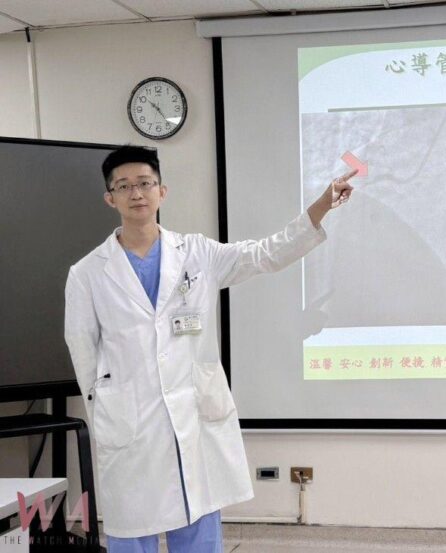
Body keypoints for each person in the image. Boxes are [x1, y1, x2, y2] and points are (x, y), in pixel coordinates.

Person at [64, 145, 355, 552]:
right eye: (124, 186)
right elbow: (82, 349)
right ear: (110, 198)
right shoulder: (88, 273)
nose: (137, 193)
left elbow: (264, 255)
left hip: (192, 415)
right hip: (131, 422)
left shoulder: (197, 253)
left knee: (197, 521)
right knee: (133, 530)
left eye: (145, 183)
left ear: (162, 191)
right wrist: (108, 412)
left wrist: (320, 207)